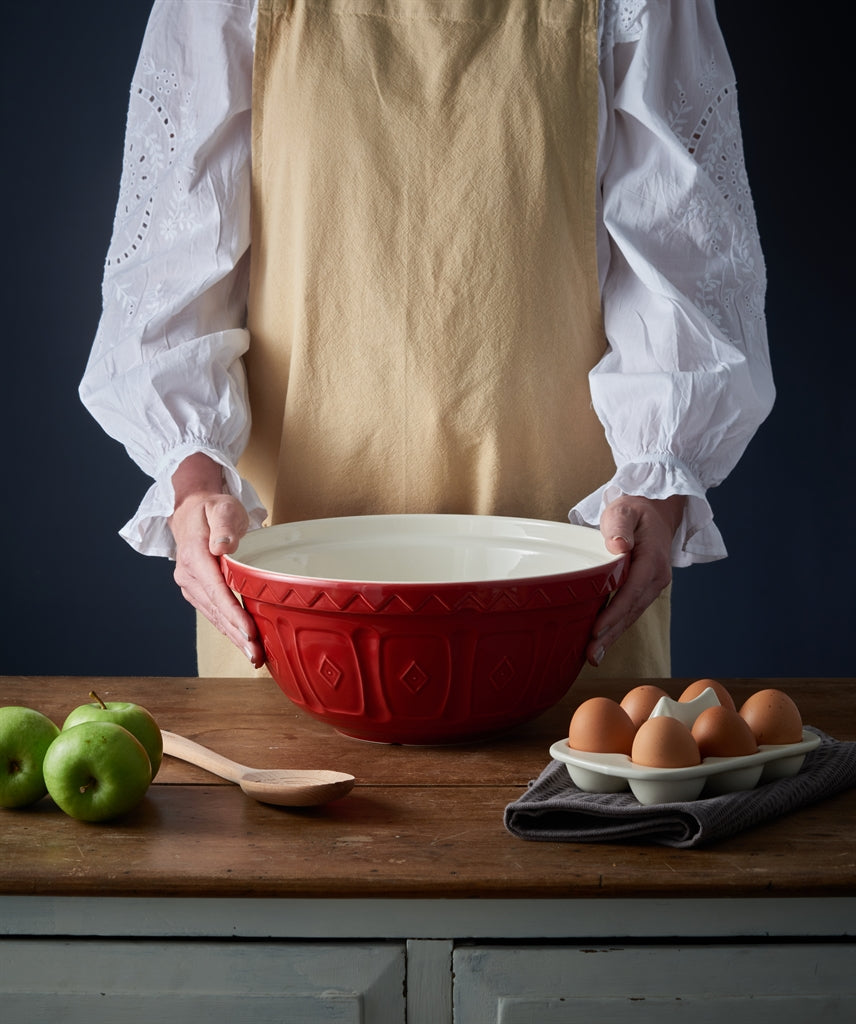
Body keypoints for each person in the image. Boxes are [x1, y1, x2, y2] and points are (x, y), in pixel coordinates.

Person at [80, 0, 774, 680]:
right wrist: (196, 484)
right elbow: (169, 282)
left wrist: (658, 488)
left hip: (569, 583)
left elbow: (686, 267)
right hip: (287, 592)